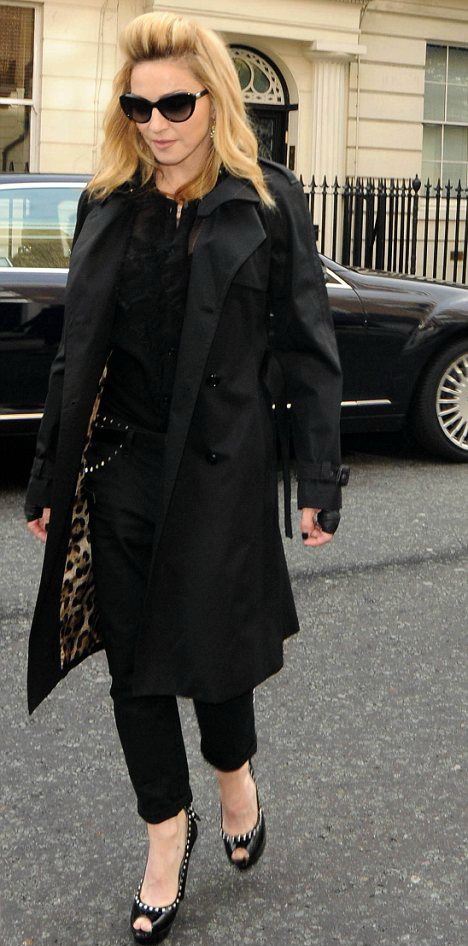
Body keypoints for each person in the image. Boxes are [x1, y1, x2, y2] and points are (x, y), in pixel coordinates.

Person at [24, 11, 348, 944]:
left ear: (214, 99)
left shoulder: (265, 200)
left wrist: (319, 477)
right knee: (133, 665)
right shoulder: (107, 201)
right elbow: (75, 353)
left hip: (220, 470)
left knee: (213, 654)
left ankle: (234, 775)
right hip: (121, 465)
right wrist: (48, 475)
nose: (156, 123)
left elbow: (308, 347)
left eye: (174, 104)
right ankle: (166, 832)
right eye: (139, 106)